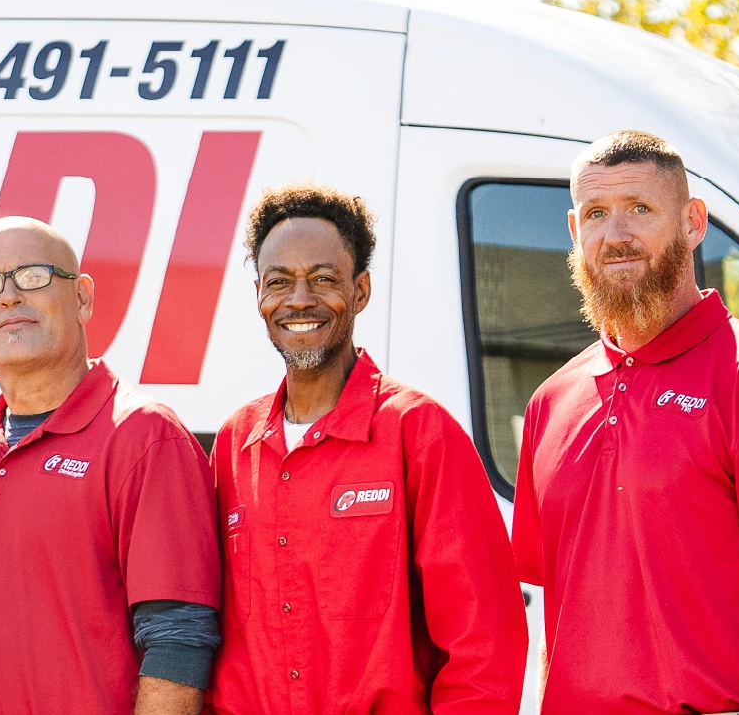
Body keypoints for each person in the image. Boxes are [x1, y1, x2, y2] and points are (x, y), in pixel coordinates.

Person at [513, 130, 739, 715]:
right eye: (597, 214)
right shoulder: (551, 401)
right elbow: (557, 619)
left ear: (693, 222)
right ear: (574, 233)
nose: (616, 236)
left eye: (640, 209)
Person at [205, 183, 528, 714]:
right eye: (279, 281)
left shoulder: (419, 432)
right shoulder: (234, 443)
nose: (300, 300)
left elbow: (483, 642)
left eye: (324, 279)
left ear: (360, 292)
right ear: (259, 296)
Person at [0, 216, 222, 715]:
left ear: (82, 297)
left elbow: (179, 638)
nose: (10, 296)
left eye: (33, 276)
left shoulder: (145, 436)